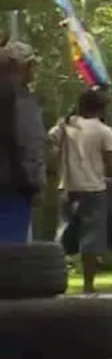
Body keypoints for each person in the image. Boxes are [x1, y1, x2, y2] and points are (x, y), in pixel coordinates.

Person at [49, 88, 112, 293]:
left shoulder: (65, 126)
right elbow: (111, 166)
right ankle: (88, 285)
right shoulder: (103, 131)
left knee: (63, 234)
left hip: (67, 187)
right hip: (94, 189)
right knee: (92, 237)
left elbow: (50, 145)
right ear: (101, 108)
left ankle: (54, 279)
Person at [0, 40, 46, 243]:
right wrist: (36, 185)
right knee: (10, 252)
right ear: (24, 67)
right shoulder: (21, 100)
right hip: (13, 185)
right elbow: (29, 144)